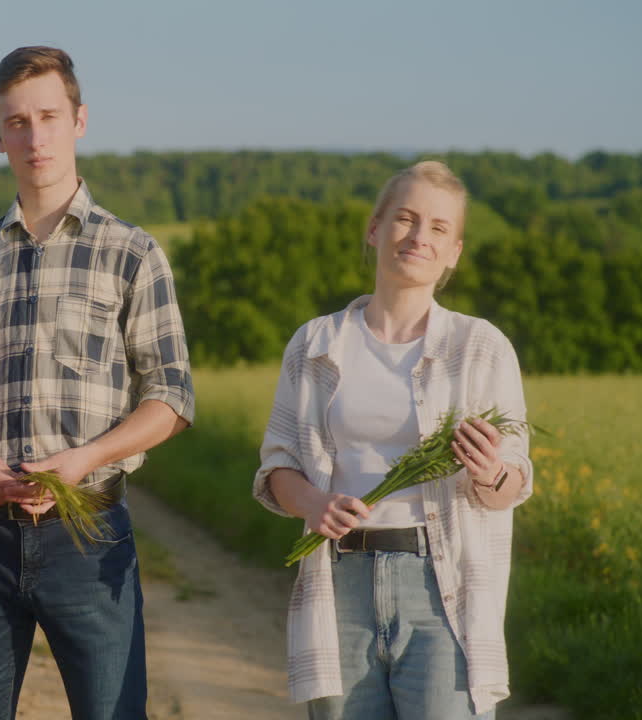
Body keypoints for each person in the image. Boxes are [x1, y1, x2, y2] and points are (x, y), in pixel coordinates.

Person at [0, 46, 196, 719]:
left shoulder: (132, 253)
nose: (34, 137)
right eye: (16, 122)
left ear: (79, 120)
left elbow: (171, 396)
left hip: (89, 532)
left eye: (48, 117)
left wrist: (87, 459)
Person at [253, 161, 533, 719]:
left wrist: (490, 472)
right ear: (375, 228)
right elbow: (277, 466)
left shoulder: (481, 347)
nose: (418, 236)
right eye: (405, 218)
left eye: (438, 227)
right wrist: (313, 503)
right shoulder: (315, 343)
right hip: (341, 585)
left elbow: (515, 480)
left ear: (454, 251)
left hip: (445, 588)